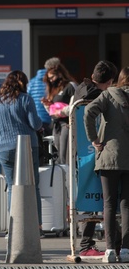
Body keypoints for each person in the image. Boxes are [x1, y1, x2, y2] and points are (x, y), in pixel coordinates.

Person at [0, 70, 44, 237]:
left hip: (5, 150)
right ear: (23, 83)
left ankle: (14, 228)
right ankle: (36, 227)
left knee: (12, 188)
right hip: (28, 148)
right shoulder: (26, 99)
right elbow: (35, 123)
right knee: (32, 187)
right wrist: (41, 126)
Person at [72, 60, 118, 257]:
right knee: (101, 198)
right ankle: (87, 244)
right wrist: (96, 140)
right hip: (93, 151)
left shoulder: (80, 89)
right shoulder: (98, 96)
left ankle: (94, 242)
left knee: (93, 197)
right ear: (108, 81)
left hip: (80, 153)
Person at [84, 66, 129, 263]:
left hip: (109, 155)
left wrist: (94, 139)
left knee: (109, 204)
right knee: (127, 205)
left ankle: (110, 250)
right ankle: (126, 250)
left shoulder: (108, 94)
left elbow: (88, 112)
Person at [41, 63, 77, 164]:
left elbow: (76, 105)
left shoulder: (70, 86)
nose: (51, 80)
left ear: (60, 74)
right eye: (49, 79)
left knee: (64, 155)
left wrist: (61, 112)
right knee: (57, 155)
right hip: (56, 125)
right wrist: (48, 105)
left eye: (52, 77)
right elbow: (53, 111)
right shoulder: (53, 89)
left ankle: (68, 178)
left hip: (67, 124)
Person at [28, 57, 60, 136]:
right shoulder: (53, 82)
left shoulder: (31, 82)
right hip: (51, 119)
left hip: (37, 120)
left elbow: (27, 100)